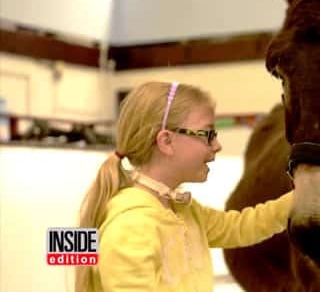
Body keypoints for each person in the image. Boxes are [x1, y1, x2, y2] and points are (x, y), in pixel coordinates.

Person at [75, 81, 293, 292]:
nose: (217, 146)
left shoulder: (183, 210)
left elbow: (241, 227)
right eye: (207, 134)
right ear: (167, 142)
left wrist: (301, 196)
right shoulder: (132, 229)